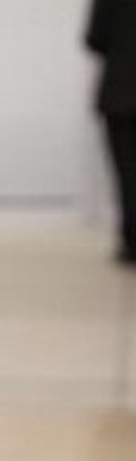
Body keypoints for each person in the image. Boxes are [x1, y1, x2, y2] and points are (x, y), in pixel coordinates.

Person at [85, 0, 136, 265]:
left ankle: (132, 240)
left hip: (120, 92)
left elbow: (94, 38)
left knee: (127, 173)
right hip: (119, 94)